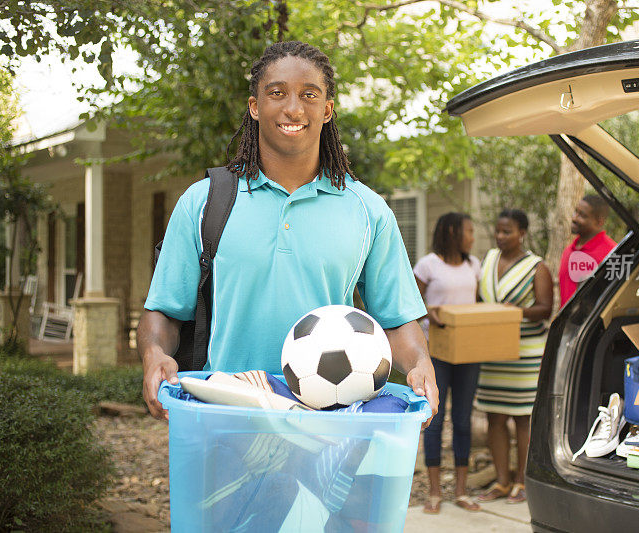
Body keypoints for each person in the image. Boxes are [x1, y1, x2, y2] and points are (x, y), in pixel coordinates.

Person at [137, 41, 438, 425]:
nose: (293, 108)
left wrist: (419, 364)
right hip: (223, 414)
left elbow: (396, 320)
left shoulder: (368, 210)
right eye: (276, 93)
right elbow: (163, 312)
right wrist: (154, 354)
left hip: (331, 424)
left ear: (327, 110)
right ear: (255, 106)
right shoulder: (203, 202)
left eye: (309, 95)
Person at [475, 209, 553, 504]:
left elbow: (545, 308)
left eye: (507, 231)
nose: (500, 236)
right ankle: (501, 481)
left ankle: (522, 481)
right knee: (494, 417)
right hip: (493, 351)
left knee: (522, 418)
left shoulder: (537, 267)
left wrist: (511, 313)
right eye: (498, 231)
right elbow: (479, 300)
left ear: (522, 233)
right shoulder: (489, 259)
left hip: (525, 352)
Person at [413, 212, 482, 514]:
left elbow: (475, 305)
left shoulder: (474, 265)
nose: (472, 236)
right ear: (452, 232)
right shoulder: (428, 265)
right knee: (435, 421)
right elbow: (412, 308)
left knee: (464, 421)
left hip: (468, 354)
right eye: (468, 230)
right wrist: (432, 313)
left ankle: (462, 491)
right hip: (437, 355)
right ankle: (435, 492)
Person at [558, 194, 617, 308]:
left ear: (599, 222)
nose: (574, 218)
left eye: (582, 216)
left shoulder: (611, 253)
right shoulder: (568, 251)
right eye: (576, 212)